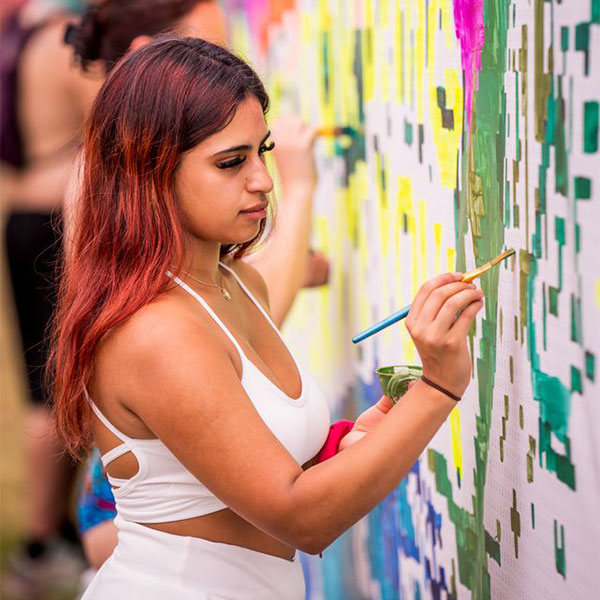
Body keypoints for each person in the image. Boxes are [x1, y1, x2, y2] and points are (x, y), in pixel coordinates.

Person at [50, 36, 484, 599]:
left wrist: (344, 447)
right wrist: (437, 386)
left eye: (263, 150)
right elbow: (301, 518)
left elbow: (254, 468)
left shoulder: (238, 283)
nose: (263, 179)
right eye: (231, 162)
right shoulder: (155, 331)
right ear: (147, 170)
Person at [59, 0, 329, 573]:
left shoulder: (215, 275)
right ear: (146, 61)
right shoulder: (155, 320)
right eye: (202, 48)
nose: (223, 63)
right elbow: (296, 514)